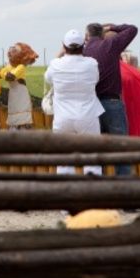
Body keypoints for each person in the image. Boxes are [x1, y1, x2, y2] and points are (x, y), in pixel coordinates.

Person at [44, 30, 104, 175]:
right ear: (83, 45)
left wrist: (60, 54)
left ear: (64, 46)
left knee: (64, 160)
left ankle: (65, 194)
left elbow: (47, 78)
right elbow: (96, 80)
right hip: (88, 115)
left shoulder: (55, 64)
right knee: (92, 159)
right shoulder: (92, 64)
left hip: (63, 118)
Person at [83, 22, 137, 176]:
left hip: (91, 105)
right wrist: (113, 27)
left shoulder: (84, 51)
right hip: (112, 103)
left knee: (95, 150)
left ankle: (97, 187)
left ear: (87, 36)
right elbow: (132, 29)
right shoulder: (110, 45)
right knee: (121, 149)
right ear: (102, 34)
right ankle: (124, 187)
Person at [0, 42, 38, 130]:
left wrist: (6, 75)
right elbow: (2, 72)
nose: (11, 51)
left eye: (15, 50)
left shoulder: (21, 67)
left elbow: (12, 76)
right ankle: (14, 126)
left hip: (20, 92)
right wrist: (5, 74)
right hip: (13, 92)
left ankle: (23, 127)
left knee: (22, 109)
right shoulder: (9, 66)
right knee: (13, 108)